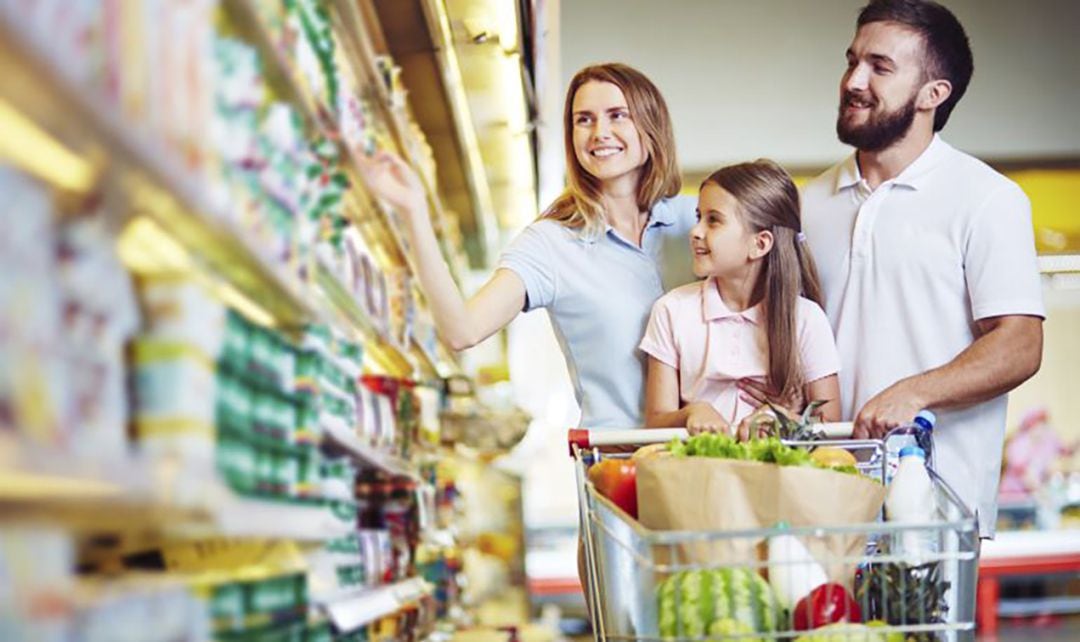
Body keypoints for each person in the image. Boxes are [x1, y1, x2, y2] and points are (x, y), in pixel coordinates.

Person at [800, 0, 1044, 536]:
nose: (854, 80)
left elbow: (1020, 344)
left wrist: (914, 391)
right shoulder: (809, 204)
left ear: (935, 94)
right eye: (852, 61)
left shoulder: (987, 198)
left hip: (936, 511)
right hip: (822, 503)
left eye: (880, 67)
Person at [357, 63, 697, 429]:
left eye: (618, 115)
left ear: (651, 125)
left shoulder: (696, 221)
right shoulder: (551, 244)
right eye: (584, 120)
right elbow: (462, 330)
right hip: (619, 470)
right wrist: (414, 212)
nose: (600, 132)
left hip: (718, 459)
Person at [641, 160, 841, 436]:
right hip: (698, 473)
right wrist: (692, 412)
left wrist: (786, 420)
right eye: (699, 217)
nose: (695, 231)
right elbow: (655, 420)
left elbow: (831, 422)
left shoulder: (806, 318)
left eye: (714, 220)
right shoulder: (671, 310)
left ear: (759, 244)